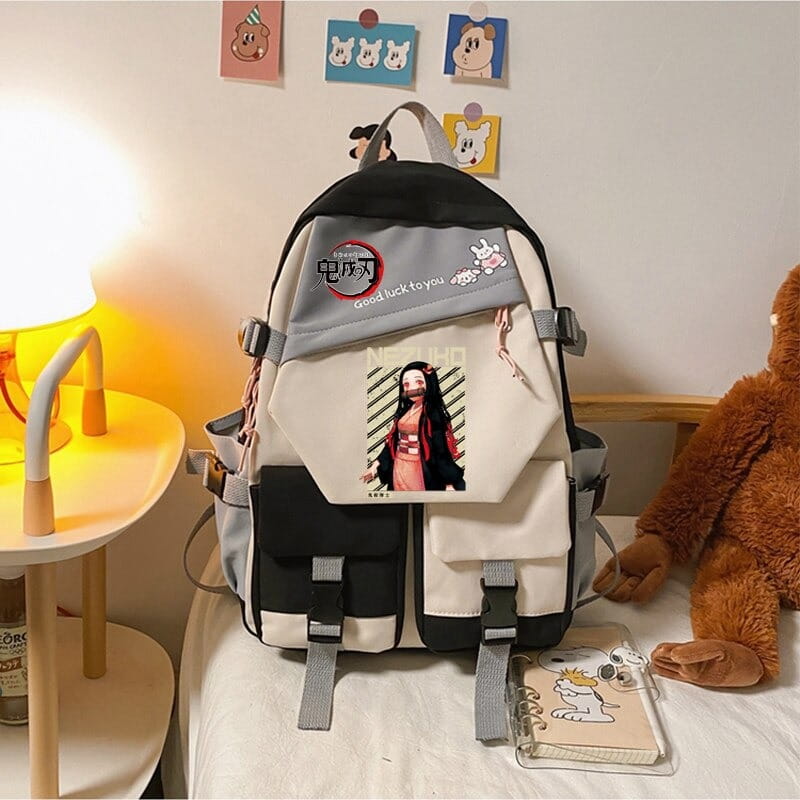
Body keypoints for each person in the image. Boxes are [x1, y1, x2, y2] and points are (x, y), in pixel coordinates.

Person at [360, 362, 465, 491]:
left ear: (429, 383)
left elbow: (440, 451)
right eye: (406, 384)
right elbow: (393, 442)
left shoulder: (432, 414)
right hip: (399, 464)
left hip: (418, 467)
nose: (412, 388)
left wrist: (448, 483)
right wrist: (375, 466)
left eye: (419, 382)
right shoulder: (405, 411)